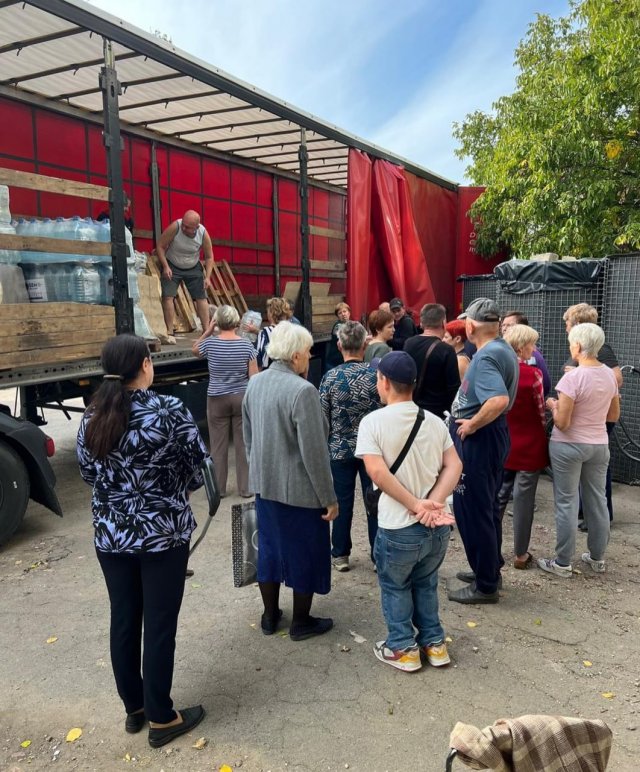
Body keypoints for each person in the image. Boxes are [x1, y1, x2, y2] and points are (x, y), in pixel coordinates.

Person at [76, 334, 208, 748]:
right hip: (162, 536)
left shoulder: (92, 415)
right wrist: (171, 490)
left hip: (111, 536)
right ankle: (162, 717)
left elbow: (88, 474)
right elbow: (198, 467)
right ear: (145, 365)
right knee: (160, 623)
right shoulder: (169, 410)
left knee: (124, 618)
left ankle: (134, 708)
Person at [356, 352, 461, 672]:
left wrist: (417, 506)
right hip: (436, 528)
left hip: (398, 527)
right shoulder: (432, 421)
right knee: (426, 582)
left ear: (384, 382)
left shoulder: (372, 422)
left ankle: (403, 648)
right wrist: (434, 503)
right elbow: (454, 463)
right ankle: (435, 644)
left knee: (395, 585)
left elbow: (377, 473)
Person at [242, 321, 339, 640]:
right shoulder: (303, 391)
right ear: (296, 356)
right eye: (309, 352)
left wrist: (257, 472)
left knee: (267, 550)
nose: (310, 357)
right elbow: (314, 452)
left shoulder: (254, 384)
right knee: (304, 554)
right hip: (300, 492)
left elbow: (248, 437)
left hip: (265, 487)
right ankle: (301, 622)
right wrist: (329, 498)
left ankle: (270, 617)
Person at [448, 297, 519, 605]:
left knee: (473, 512)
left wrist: (472, 425)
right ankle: (487, 569)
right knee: (486, 508)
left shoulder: (488, 355)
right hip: (490, 438)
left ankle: (486, 585)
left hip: (480, 441)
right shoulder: (500, 349)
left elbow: (498, 400)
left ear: (471, 325)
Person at [538, 323, 619, 578]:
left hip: (568, 445)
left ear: (580, 346)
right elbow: (613, 414)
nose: (570, 346)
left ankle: (563, 562)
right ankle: (597, 558)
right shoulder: (609, 375)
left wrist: (552, 405)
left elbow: (562, 422)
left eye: (572, 342)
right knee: (597, 500)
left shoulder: (572, 377)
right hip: (598, 443)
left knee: (566, 501)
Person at [319, 321, 380, 572]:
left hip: (339, 449)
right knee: (375, 501)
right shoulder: (376, 376)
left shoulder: (330, 378)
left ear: (339, 345)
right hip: (371, 450)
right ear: (365, 344)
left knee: (341, 502)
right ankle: (378, 555)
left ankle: (340, 554)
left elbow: (323, 417)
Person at [562, 303, 622, 526]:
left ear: (577, 323)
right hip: (585, 416)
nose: (566, 328)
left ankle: (599, 514)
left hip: (597, 417)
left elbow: (617, 378)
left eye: (567, 323)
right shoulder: (580, 348)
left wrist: (579, 373)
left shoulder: (599, 348)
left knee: (597, 469)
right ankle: (584, 510)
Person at [192, 305, 257, 498]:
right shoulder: (246, 345)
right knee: (243, 444)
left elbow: (194, 349)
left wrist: (208, 331)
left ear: (218, 322)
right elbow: (254, 376)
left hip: (216, 399)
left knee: (218, 446)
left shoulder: (210, 344)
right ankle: (246, 488)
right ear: (237, 322)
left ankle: (218, 489)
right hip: (241, 398)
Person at [501, 324, 550, 569]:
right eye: (531, 344)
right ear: (521, 347)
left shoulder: (499, 372)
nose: (534, 349)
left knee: (499, 497)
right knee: (523, 500)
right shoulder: (534, 376)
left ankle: (492, 550)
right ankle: (520, 554)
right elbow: (541, 412)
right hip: (530, 442)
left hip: (504, 440)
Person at [156, 210, 214, 334]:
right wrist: (166, 266)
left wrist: (208, 277)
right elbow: (160, 246)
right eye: (183, 224)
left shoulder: (203, 233)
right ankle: (170, 331)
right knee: (168, 296)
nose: (183, 227)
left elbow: (209, 257)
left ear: (196, 227)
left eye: (187, 227)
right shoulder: (175, 227)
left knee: (201, 297)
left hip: (193, 266)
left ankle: (206, 331)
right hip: (172, 264)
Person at [404, 303, 460, 420]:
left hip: (412, 410)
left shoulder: (409, 343)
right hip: (437, 414)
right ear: (443, 323)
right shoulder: (447, 350)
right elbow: (453, 387)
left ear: (422, 323)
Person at [500, 311, 551, 396]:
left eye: (509, 325)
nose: (504, 328)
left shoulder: (533, 353)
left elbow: (545, 384)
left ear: (522, 328)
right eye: (503, 325)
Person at [256, 296, 293, 370]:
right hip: (290, 374)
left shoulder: (265, 333)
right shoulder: (293, 331)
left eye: (268, 311)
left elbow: (261, 361)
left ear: (271, 314)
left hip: (271, 376)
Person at [325, 302, 351, 370]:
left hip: (343, 359)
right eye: (340, 313)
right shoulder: (338, 326)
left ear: (349, 312)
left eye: (344, 311)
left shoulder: (350, 324)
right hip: (335, 362)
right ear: (338, 316)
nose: (343, 314)